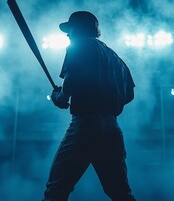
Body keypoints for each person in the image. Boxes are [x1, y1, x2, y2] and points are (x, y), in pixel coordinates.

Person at [43, 11, 136, 201]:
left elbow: (70, 84)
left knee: (56, 190)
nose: (68, 35)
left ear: (78, 29)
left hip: (86, 125)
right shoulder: (115, 56)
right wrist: (108, 100)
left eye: (70, 30)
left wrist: (60, 96)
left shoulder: (78, 46)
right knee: (121, 193)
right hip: (112, 127)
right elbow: (129, 94)